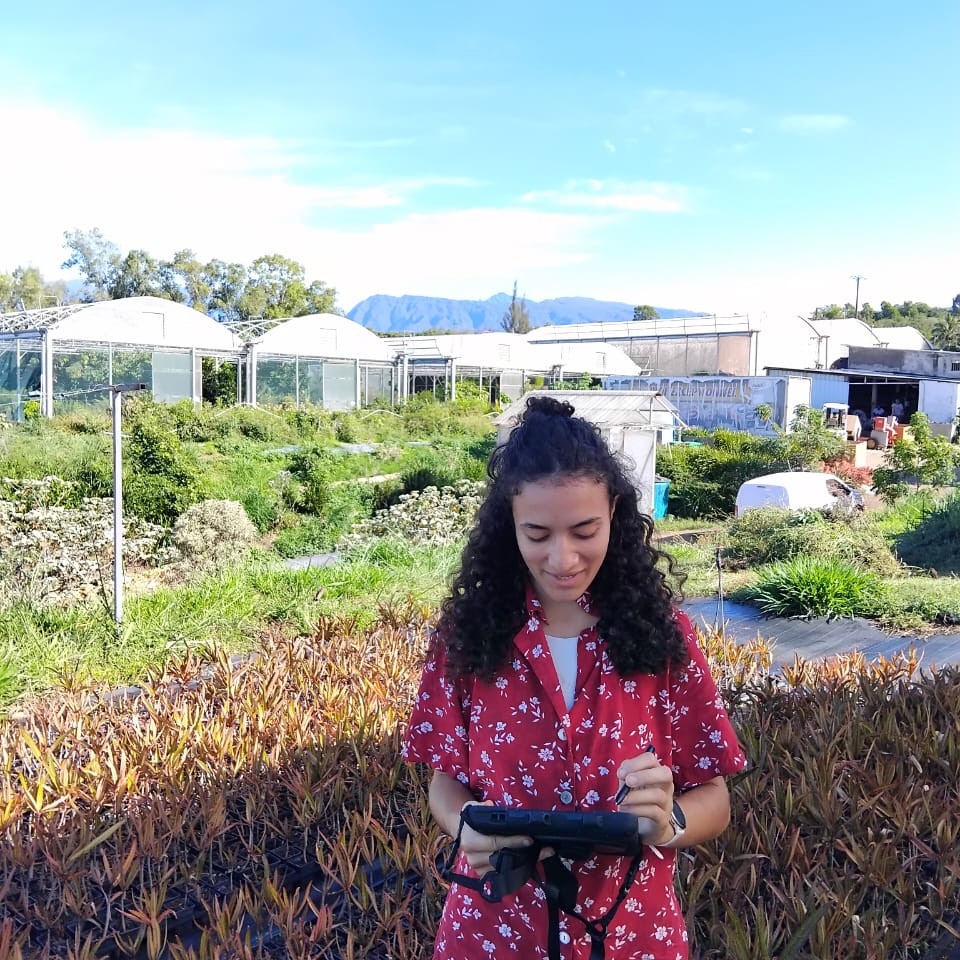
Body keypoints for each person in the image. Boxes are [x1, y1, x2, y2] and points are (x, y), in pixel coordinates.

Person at [403, 396, 747, 960]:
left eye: (584, 530)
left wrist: (669, 821)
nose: (562, 558)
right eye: (537, 535)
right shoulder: (468, 635)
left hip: (632, 930)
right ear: (508, 525)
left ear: (614, 510)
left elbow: (715, 797)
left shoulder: (663, 636)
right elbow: (446, 783)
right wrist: (465, 826)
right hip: (495, 928)